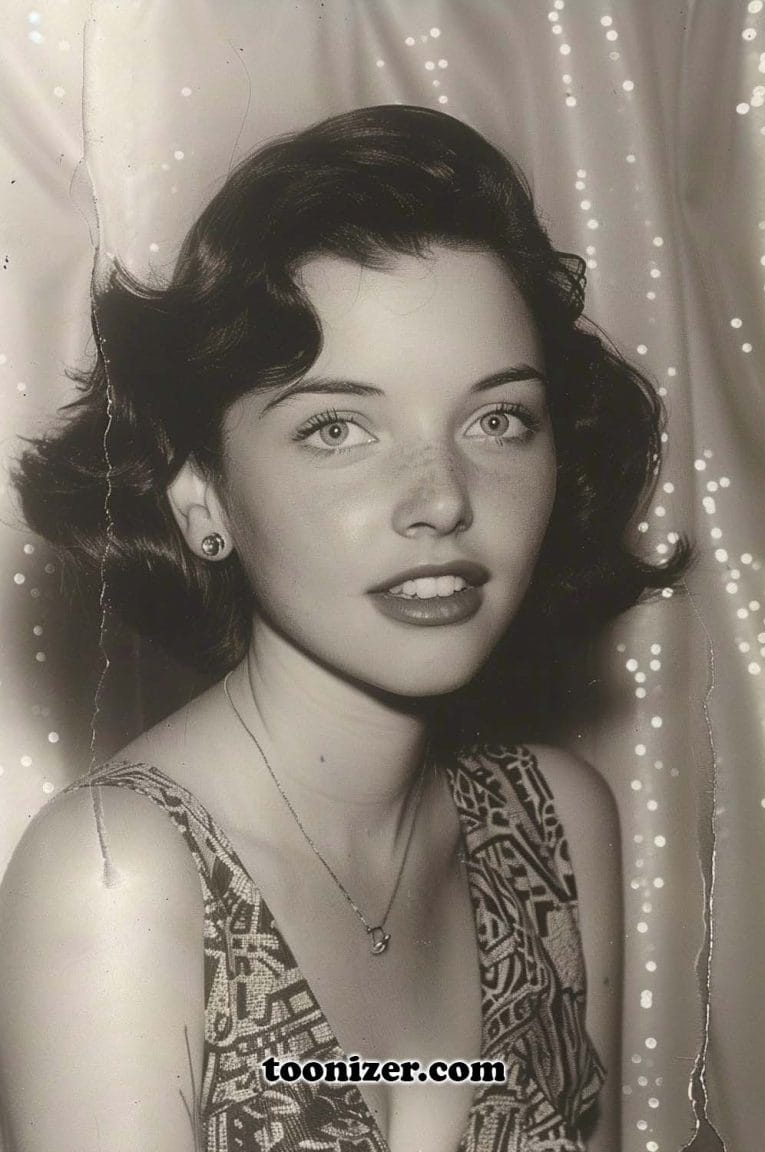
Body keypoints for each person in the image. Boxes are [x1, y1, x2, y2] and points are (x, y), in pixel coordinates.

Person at [0, 104, 688, 1152]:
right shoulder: (116, 880)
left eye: (498, 418)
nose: (443, 499)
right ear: (201, 498)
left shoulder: (558, 822)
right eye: (337, 427)